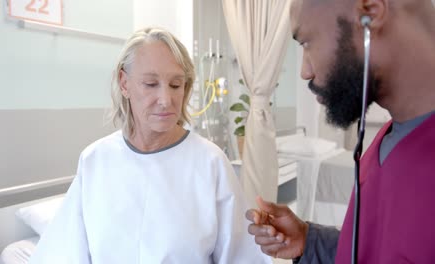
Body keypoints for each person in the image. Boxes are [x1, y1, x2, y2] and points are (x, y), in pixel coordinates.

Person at [30, 27, 270, 264]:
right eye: (150, 84)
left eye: (176, 85)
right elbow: (66, 252)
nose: (166, 100)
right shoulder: (96, 159)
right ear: (124, 83)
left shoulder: (211, 162)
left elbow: (243, 256)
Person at [246, 0, 435, 263]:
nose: (305, 72)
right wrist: (309, 240)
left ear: (369, 13)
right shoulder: (386, 142)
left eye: (307, 43)